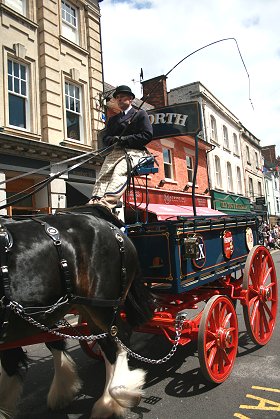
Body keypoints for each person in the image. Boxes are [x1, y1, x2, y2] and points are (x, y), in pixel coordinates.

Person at [89, 85, 153, 210]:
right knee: (104, 172)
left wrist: (124, 139)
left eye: (122, 97)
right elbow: (105, 137)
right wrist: (112, 139)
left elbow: (147, 135)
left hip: (135, 152)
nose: (119, 99)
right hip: (116, 152)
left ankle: (108, 202)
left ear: (130, 99)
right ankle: (96, 199)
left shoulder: (140, 114)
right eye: (117, 97)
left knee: (119, 171)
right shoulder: (113, 119)